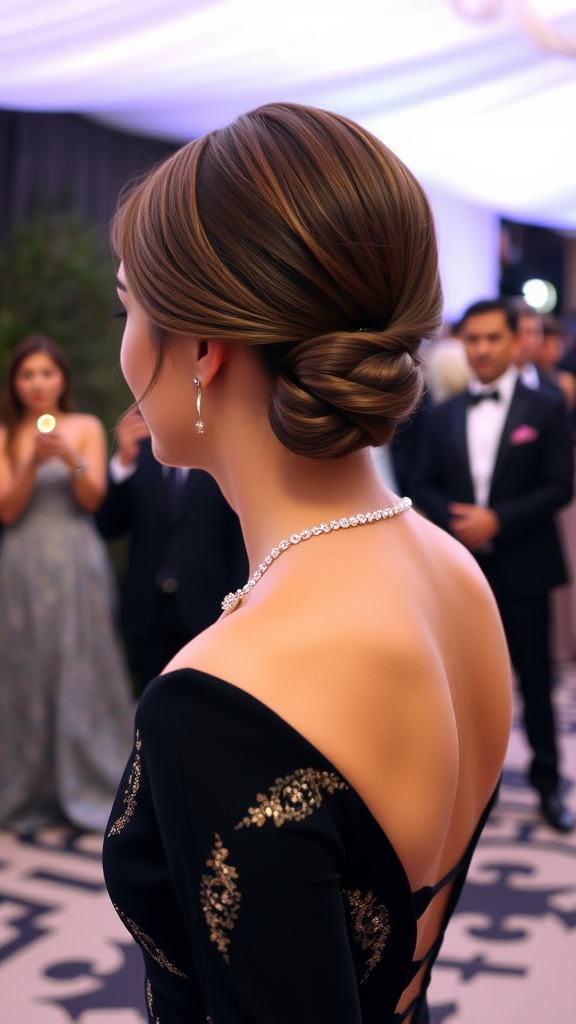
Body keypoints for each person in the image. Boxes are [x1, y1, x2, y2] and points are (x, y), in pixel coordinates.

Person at [102, 103, 512, 1024]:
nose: (121, 348)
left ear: (203, 350)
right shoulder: (453, 574)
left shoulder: (223, 696)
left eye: (127, 307)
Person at [413, 298, 574, 834]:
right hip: (461, 573)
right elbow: (422, 484)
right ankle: (478, 792)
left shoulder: (546, 407)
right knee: (468, 689)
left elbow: (560, 486)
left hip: (524, 564)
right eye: (472, 340)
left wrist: (497, 520)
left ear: (515, 340)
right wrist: (460, 523)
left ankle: (550, 787)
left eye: (491, 339)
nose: (481, 349)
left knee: (534, 681)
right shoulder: (444, 411)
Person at [0, 335, 134, 833]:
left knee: (81, 659)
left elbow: (94, 497)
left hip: (77, 558)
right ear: (16, 382)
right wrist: (32, 461)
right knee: (26, 663)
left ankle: (92, 780)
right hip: (23, 560)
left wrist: (68, 458)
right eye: (27, 374)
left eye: (46, 373)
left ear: (62, 379)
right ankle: (30, 785)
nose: (37, 383)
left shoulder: (83, 427)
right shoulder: (7, 432)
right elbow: (7, 510)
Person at [96, 407, 248, 693]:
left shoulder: (225, 453)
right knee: (152, 704)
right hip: (147, 610)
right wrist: (123, 462)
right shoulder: (140, 453)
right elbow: (108, 526)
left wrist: (239, 607)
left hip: (210, 610)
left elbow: (241, 540)